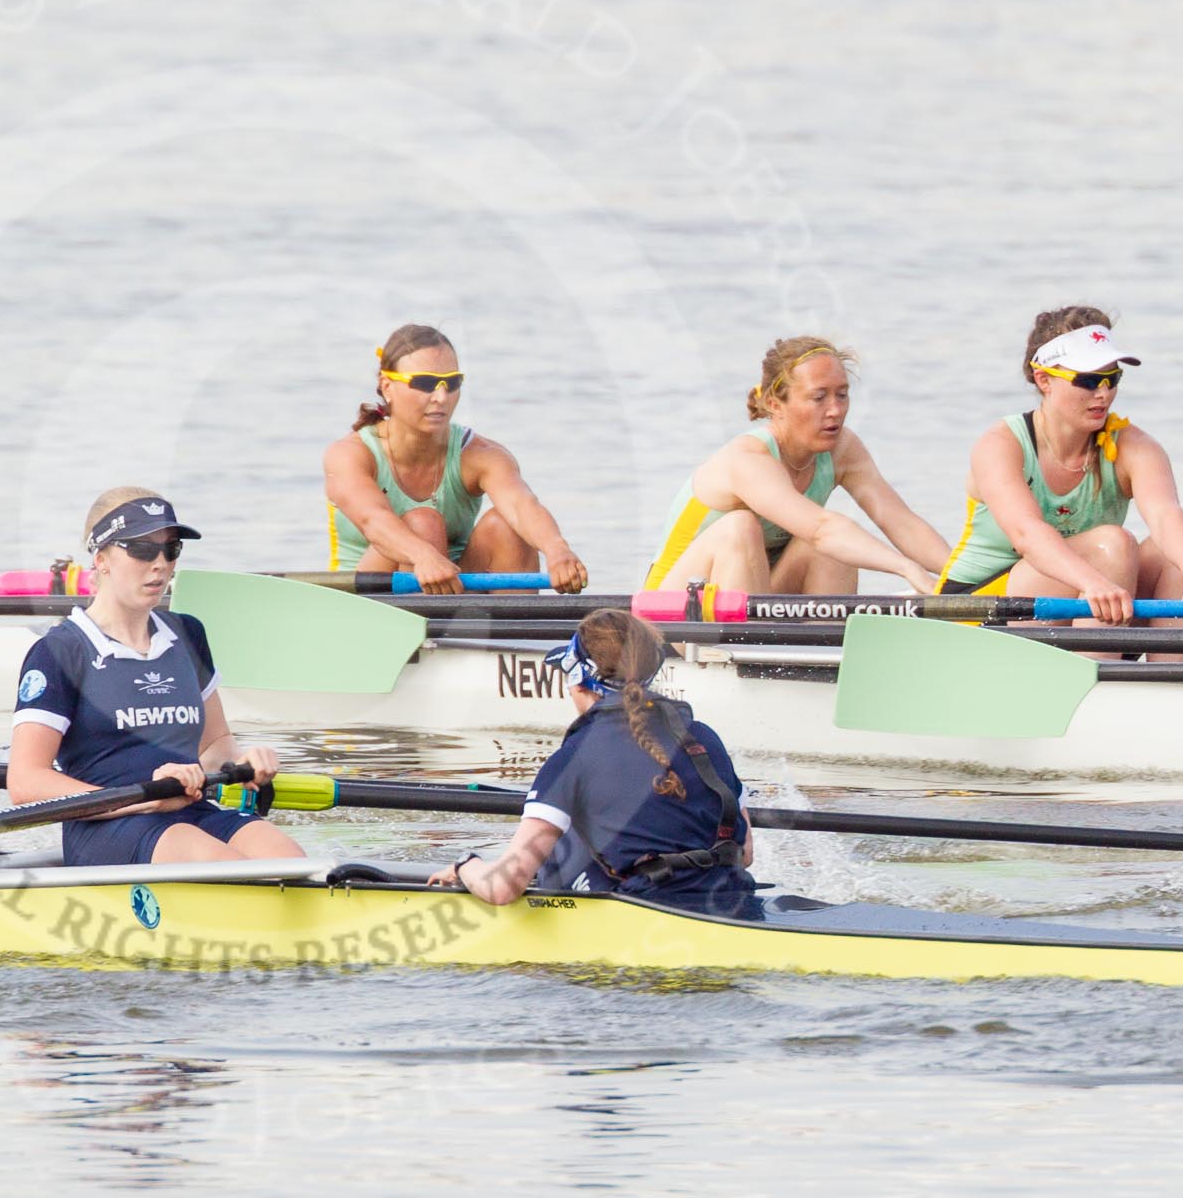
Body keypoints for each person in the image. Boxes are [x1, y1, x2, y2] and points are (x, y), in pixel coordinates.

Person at [7, 487, 305, 866]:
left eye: (171, 549)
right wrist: (141, 798)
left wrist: (243, 761)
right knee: (224, 866)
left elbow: (215, 745)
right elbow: (25, 782)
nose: (160, 564)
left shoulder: (187, 634)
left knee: (290, 860)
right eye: (142, 550)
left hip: (190, 809)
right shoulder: (60, 652)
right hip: (108, 826)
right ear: (101, 559)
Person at [428, 609, 756, 913]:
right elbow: (745, 853)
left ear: (579, 679)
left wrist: (465, 865)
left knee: (562, 846)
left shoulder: (576, 756)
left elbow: (503, 888)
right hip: (733, 903)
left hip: (646, 915)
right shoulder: (703, 737)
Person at [936, 309, 1183, 654]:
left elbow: (1165, 516)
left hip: (1090, 598)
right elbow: (1028, 535)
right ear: (1044, 380)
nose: (1102, 393)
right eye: (1088, 380)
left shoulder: (1135, 447)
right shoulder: (1001, 444)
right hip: (978, 610)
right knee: (1111, 545)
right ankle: (1099, 678)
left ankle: (1171, 682)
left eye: (1111, 378)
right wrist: (1092, 581)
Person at [643, 337, 948, 595]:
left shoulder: (843, 450)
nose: (835, 410)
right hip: (668, 617)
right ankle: (746, 656)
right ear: (776, 405)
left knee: (837, 547)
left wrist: (964, 577)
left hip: (753, 599)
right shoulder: (747, 459)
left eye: (842, 395)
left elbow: (901, 522)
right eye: (819, 398)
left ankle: (822, 659)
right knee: (743, 528)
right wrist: (906, 568)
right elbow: (821, 529)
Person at [323, 324, 589, 595]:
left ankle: (507, 629)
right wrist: (422, 555)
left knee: (508, 527)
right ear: (387, 386)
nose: (441, 397)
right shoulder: (349, 455)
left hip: (452, 590)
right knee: (424, 522)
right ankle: (431, 628)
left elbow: (522, 506)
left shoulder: (481, 454)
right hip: (365, 601)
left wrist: (558, 550)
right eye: (424, 383)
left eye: (451, 384)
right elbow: (373, 520)